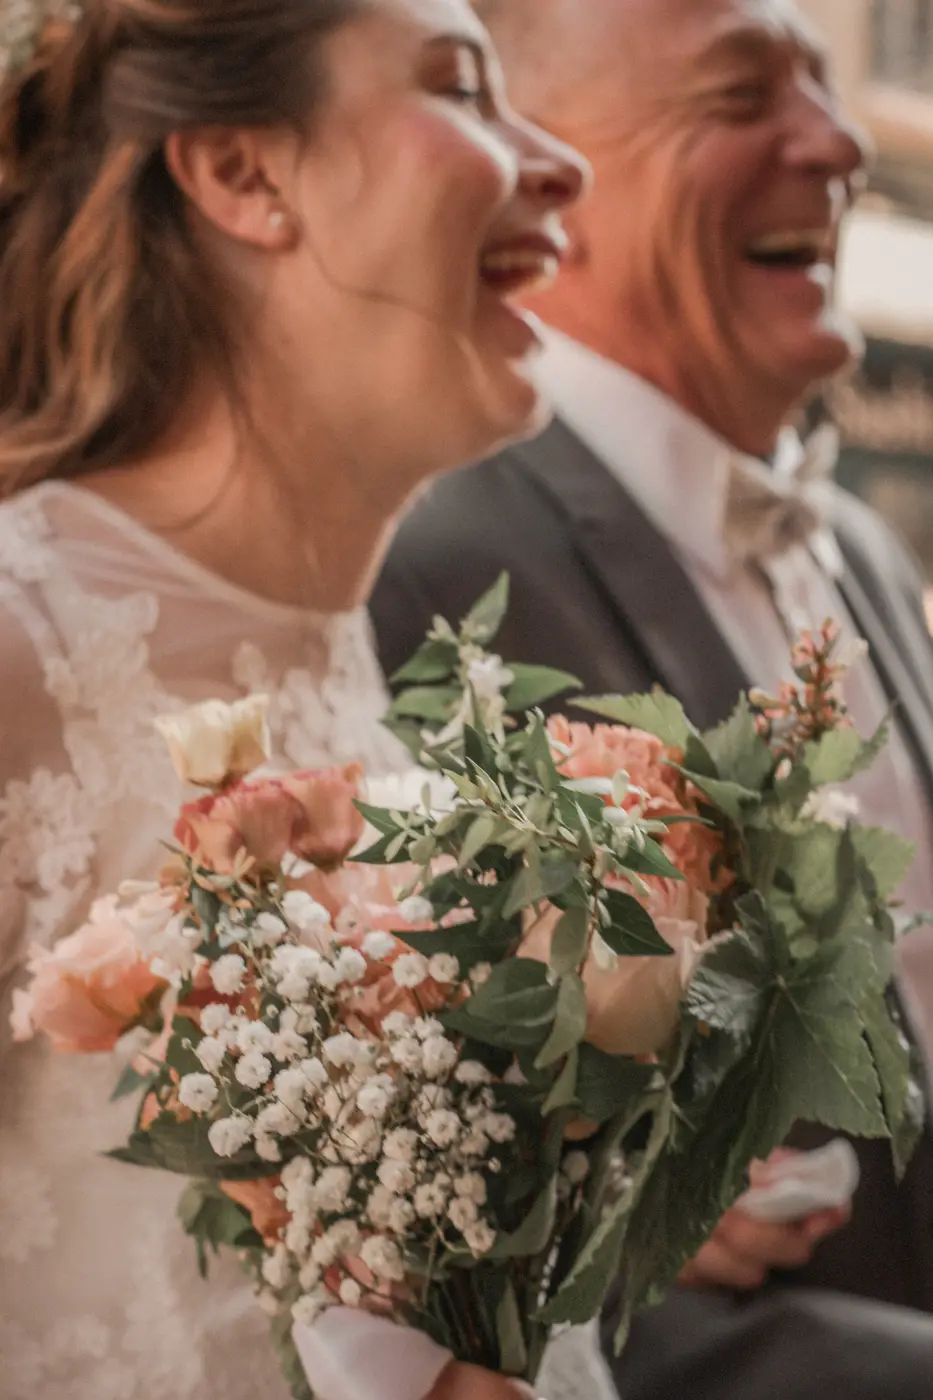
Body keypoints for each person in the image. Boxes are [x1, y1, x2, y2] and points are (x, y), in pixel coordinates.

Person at [0, 2, 587, 1398]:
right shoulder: (19, 652)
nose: (557, 161)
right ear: (246, 176)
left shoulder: (366, 670)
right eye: (462, 85)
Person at [370, 1, 933, 1398]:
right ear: (547, 171)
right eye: (742, 95)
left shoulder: (856, 543)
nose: (840, 138)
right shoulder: (419, 558)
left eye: (824, 79)